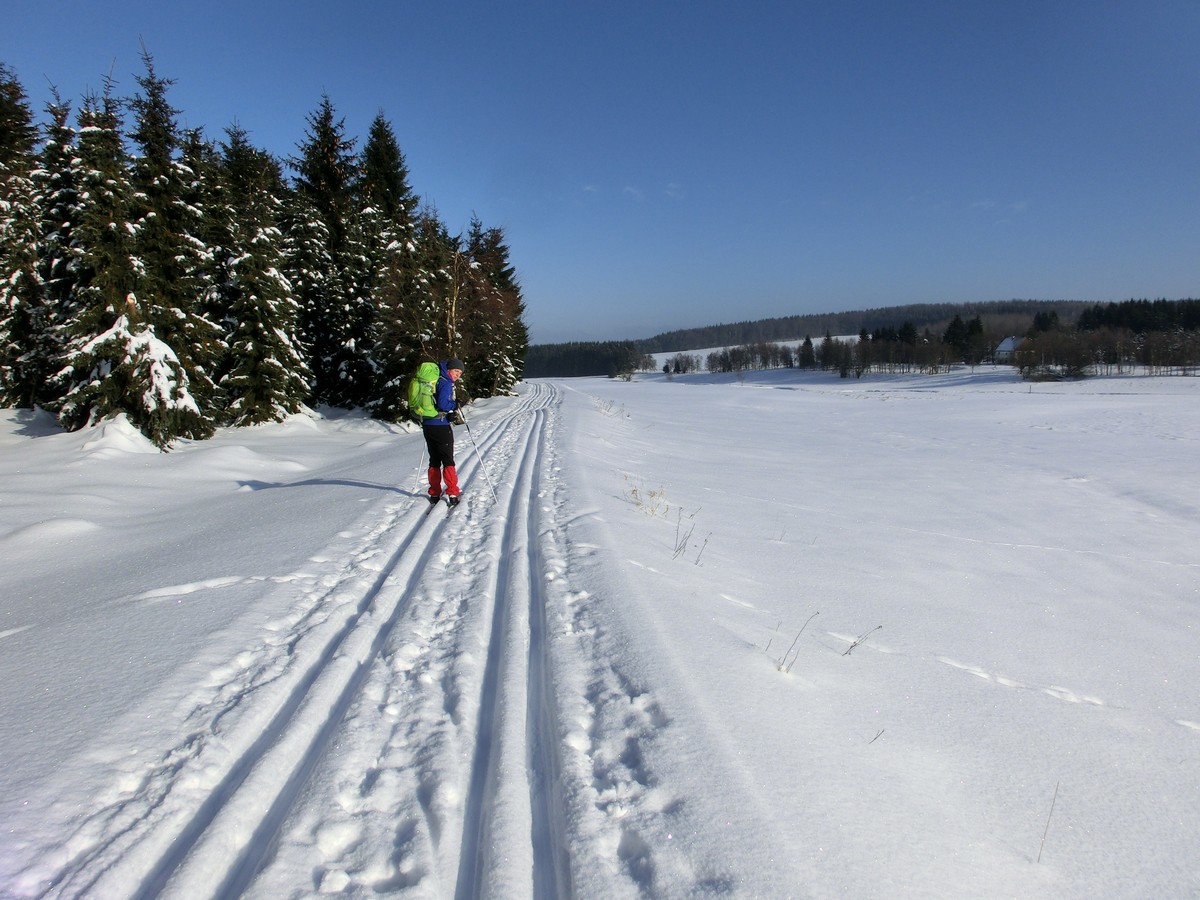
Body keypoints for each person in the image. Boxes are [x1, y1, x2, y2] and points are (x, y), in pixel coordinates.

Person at [419, 358, 464, 506]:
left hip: (428, 424)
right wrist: (455, 404)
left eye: (460, 373)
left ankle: (434, 494)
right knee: (447, 460)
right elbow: (444, 404)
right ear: (449, 369)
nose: (458, 375)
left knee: (434, 460)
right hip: (441, 426)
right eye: (456, 371)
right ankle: (452, 492)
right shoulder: (446, 382)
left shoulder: (435, 380)